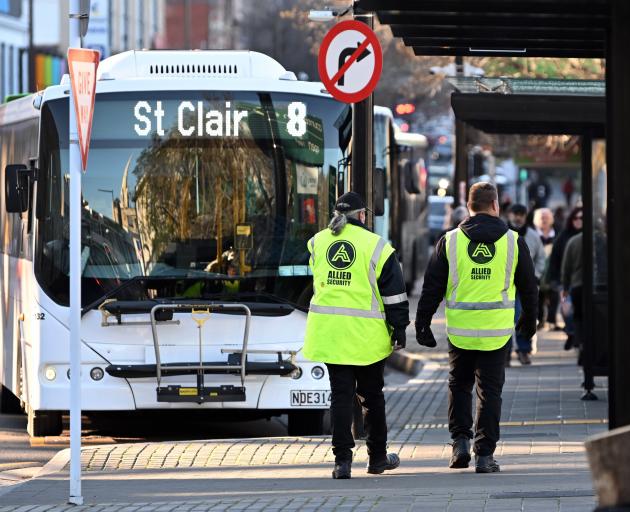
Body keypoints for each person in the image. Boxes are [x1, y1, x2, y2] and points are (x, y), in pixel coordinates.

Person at [415, 182, 538, 474]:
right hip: (496, 332)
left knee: (459, 386)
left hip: (461, 331)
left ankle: (460, 443)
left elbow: (431, 286)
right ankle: (484, 455)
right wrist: (530, 320)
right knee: (490, 392)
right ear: (495, 205)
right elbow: (529, 285)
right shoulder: (513, 240)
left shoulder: (451, 240)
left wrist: (422, 322)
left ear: (469, 206)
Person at [303, 191, 409, 480]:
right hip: (367, 337)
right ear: (362, 215)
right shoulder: (377, 246)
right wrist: (400, 328)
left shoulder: (317, 242)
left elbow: (316, 282)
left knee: (340, 396)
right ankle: (376, 458)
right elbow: (395, 294)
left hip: (331, 334)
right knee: (372, 397)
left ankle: (342, 462)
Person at [506, 204, 545, 365]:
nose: (518, 217)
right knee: (505, 319)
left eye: (521, 214)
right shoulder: (502, 234)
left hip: (525, 285)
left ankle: (523, 350)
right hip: (505, 285)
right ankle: (505, 354)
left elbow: (541, 258)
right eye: (515, 214)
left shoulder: (533, 236)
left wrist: (535, 277)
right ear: (509, 215)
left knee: (523, 317)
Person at [547, 207, 583, 349]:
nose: (579, 221)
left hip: (582, 283)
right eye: (576, 218)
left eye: (582, 218)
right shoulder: (564, 237)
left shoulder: (593, 236)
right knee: (567, 311)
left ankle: (576, 337)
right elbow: (555, 261)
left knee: (578, 313)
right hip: (566, 280)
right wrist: (556, 281)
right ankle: (572, 333)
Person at [533, 208, 560, 330]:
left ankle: (551, 321)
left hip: (553, 271)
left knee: (554, 296)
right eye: (541, 218)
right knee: (538, 297)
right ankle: (540, 321)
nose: (544, 220)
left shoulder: (557, 233)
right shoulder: (533, 235)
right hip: (537, 272)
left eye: (546, 217)